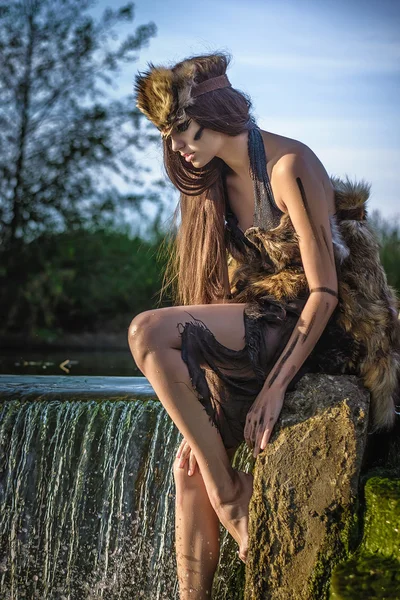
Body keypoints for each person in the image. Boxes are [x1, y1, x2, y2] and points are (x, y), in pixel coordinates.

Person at [129, 52, 399, 599]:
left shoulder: (289, 166)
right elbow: (218, 301)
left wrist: (274, 391)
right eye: (169, 133)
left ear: (219, 111)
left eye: (181, 127)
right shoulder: (214, 185)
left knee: (146, 331)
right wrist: (199, 420)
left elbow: (324, 293)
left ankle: (233, 498)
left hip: (322, 334)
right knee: (189, 471)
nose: (176, 144)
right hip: (263, 326)